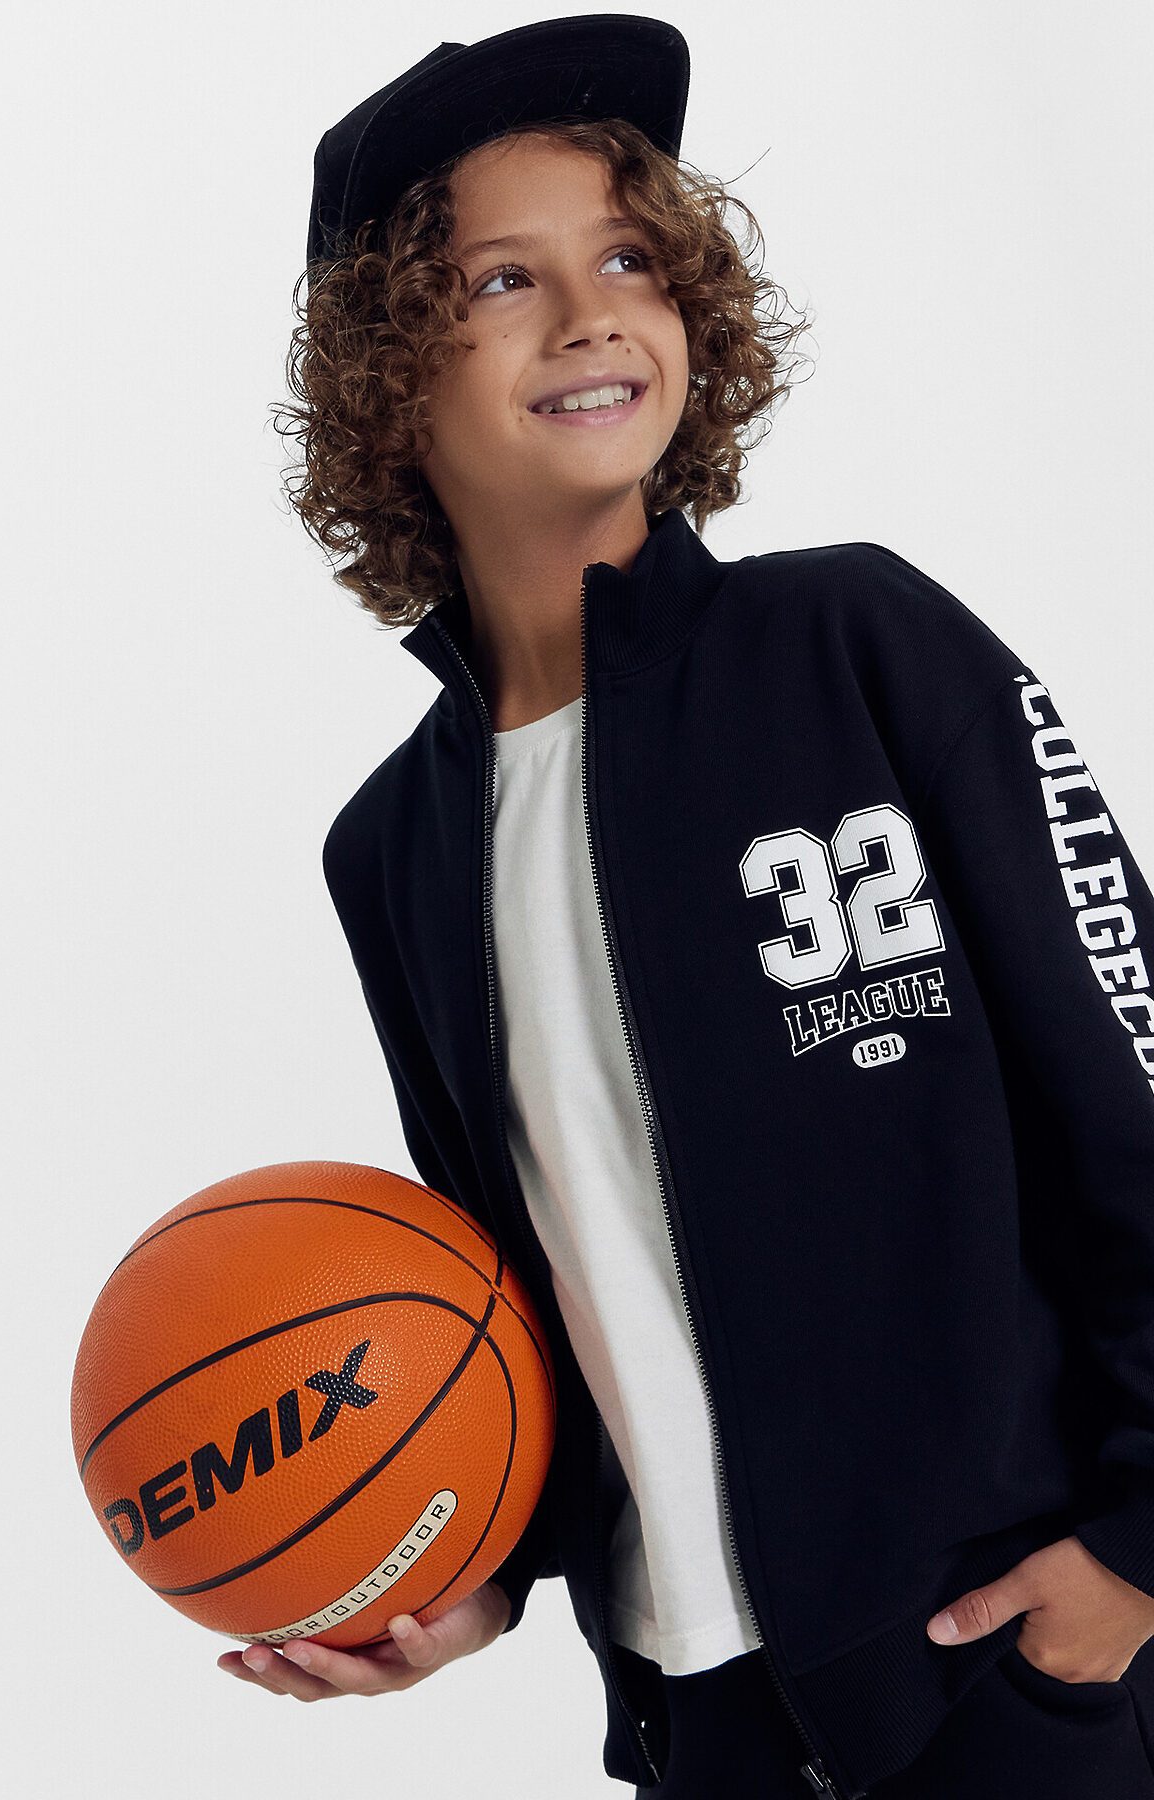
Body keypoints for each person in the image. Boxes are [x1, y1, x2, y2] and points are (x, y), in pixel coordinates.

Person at [219, 16, 1154, 1797]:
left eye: (632, 257)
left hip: (998, 1676)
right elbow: (529, 1296)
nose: (592, 314)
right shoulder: (395, 849)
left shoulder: (862, 648)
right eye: (505, 279)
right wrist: (473, 1578)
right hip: (698, 1723)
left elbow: (1130, 1082)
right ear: (391, 373)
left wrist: (1134, 1550)